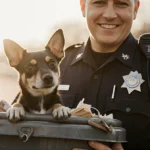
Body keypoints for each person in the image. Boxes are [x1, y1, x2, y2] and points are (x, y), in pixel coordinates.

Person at [59, 0, 150, 149]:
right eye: (99, 2)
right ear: (83, 6)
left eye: (121, 3)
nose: (109, 15)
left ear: (135, 9)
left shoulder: (147, 65)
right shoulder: (58, 65)